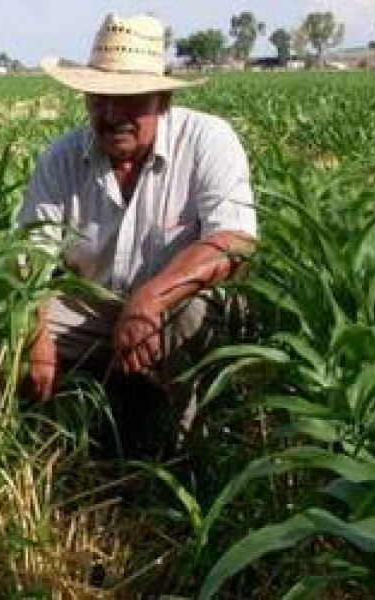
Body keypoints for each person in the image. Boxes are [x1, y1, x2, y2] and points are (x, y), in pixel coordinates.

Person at [18, 13, 257, 458]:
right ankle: (47, 443)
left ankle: (189, 452)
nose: (112, 115)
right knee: (6, 326)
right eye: (101, 99)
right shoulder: (62, 158)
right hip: (92, 305)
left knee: (193, 315)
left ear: (162, 99)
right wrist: (33, 338)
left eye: (130, 101)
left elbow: (236, 240)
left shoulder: (207, 140)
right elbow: (28, 256)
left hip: (171, 307)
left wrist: (149, 298)